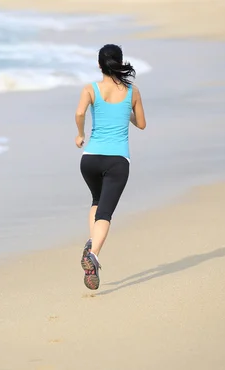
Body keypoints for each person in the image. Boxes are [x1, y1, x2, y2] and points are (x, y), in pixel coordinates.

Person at [75, 44, 147, 290]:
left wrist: (79, 134)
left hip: (90, 159)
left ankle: (92, 245)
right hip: (117, 161)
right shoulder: (132, 92)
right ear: (120, 62)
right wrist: (125, 109)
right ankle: (92, 255)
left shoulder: (90, 89)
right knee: (105, 213)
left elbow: (79, 113)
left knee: (96, 201)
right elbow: (141, 124)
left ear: (99, 65)